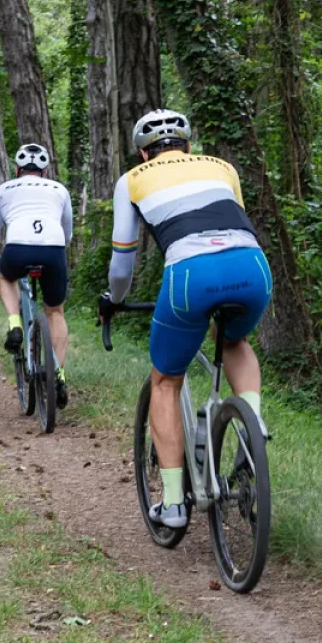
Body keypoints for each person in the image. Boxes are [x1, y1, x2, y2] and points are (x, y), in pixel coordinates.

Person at [102, 110, 271, 529]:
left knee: (165, 380)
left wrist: (114, 299)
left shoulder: (133, 179)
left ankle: (175, 504)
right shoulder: (222, 167)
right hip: (252, 267)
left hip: (191, 274)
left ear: (144, 153)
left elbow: (123, 263)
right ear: (188, 145)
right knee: (234, 341)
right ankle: (252, 428)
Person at [0, 143, 74, 408]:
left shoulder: (3, 190)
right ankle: (59, 374)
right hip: (53, 248)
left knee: (6, 277)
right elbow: (68, 234)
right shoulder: (59, 189)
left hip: (17, 247)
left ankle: (14, 324)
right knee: (55, 312)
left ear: (17, 169)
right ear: (45, 170)